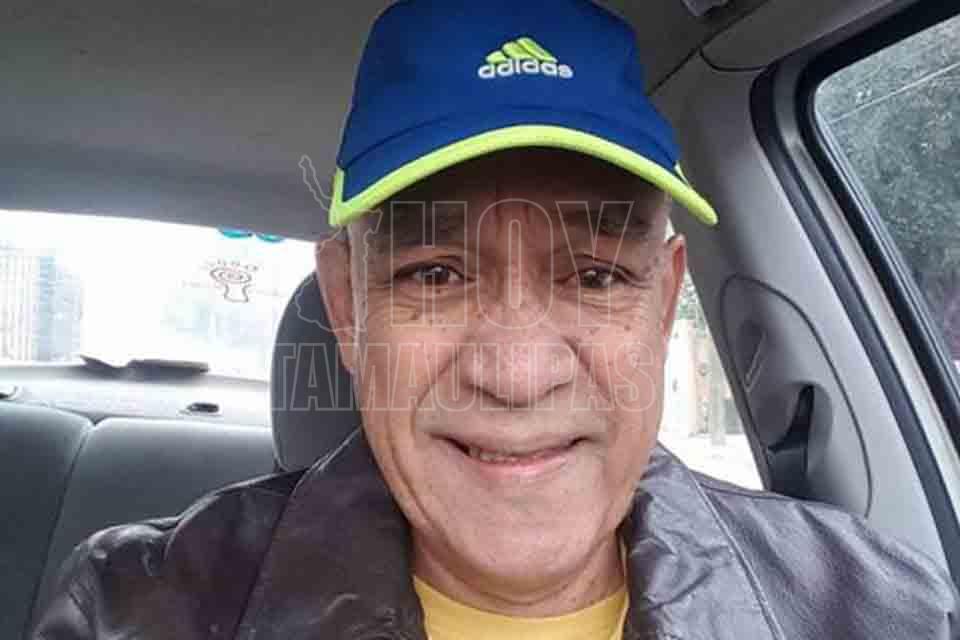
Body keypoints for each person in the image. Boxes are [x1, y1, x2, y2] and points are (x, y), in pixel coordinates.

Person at [33, 1, 959, 638]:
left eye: (596, 275)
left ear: (662, 300)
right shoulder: (139, 609)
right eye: (435, 273)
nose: (518, 373)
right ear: (347, 306)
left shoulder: (882, 610)